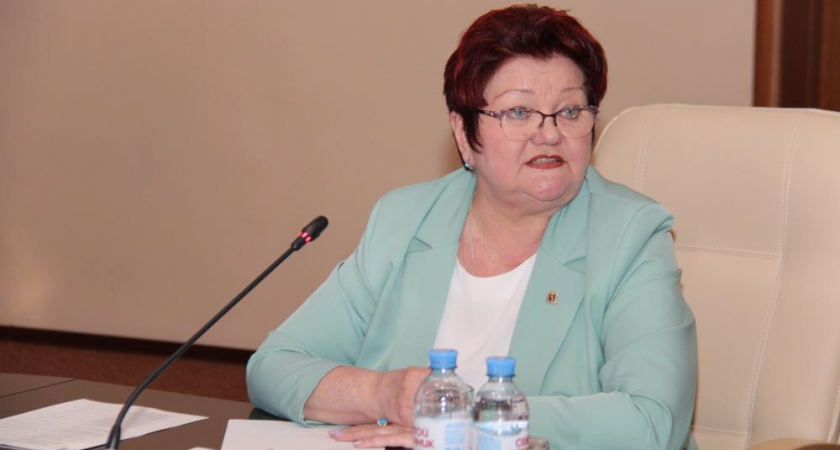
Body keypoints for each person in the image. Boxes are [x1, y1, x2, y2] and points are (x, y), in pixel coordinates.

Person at [247, 5, 697, 450]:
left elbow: (652, 421)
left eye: (570, 111)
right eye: (518, 112)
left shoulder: (630, 235)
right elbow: (273, 366)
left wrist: (459, 420)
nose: (549, 133)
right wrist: (382, 394)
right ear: (464, 134)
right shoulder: (405, 219)